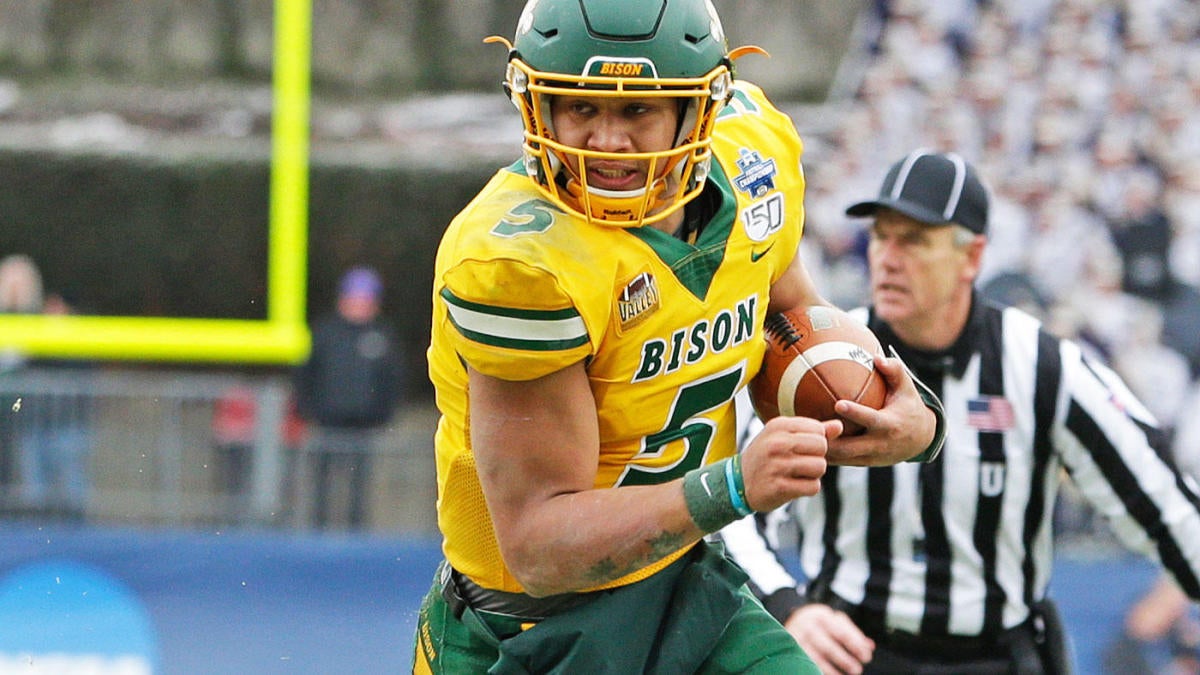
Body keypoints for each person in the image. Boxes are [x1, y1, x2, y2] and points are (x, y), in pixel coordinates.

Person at [414, 2, 947, 673]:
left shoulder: (755, 168)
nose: (606, 140)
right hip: (532, 632)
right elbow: (539, 548)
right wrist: (731, 488)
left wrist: (911, 416)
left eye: (637, 110)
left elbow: (795, 320)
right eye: (580, 106)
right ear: (536, 104)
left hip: (690, 590)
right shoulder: (518, 263)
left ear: (698, 111)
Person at [719, 149, 1200, 674]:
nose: (888, 257)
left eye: (915, 240)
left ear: (972, 257)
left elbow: (1169, 510)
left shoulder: (1043, 365)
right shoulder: (815, 361)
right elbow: (731, 502)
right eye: (881, 236)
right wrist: (788, 606)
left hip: (997, 655)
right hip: (852, 653)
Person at [293, 266, 404, 530]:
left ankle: (356, 535)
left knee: (359, 486)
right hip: (326, 422)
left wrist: (383, 415)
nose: (361, 305)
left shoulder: (383, 336)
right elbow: (305, 373)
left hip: (363, 426)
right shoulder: (325, 333)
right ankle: (317, 532)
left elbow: (393, 379)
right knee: (322, 483)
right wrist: (307, 410)